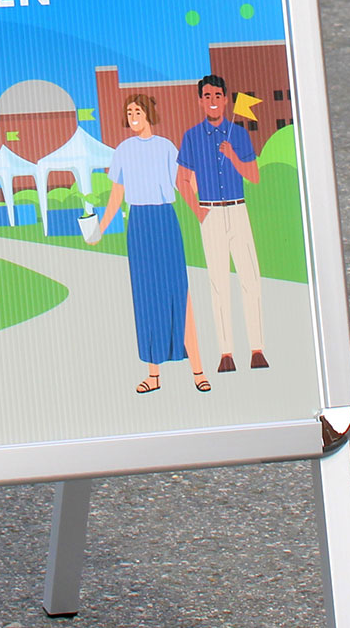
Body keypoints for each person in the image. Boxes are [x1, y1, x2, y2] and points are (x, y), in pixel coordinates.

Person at [87, 94, 209, 394]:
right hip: (138, 224)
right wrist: (101, 228)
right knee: (146, 299)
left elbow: (185, 182)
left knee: (179, 294)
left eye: (137, 111)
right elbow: (117, 194)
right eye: (128, 112)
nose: (132, 116)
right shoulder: (123, 151)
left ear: (148, 114)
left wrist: (205, 209)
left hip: (164, 221)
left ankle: (198, 370)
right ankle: (153, 375)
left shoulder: (166, 147)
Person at [176, 74, 267, 372]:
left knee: (250, 279)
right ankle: (226, 353)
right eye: (207, 96)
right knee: (218, 283)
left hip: (238, 211)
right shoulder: (191, 137)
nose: (213, 101)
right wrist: (199, 212)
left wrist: (233, 158)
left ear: (226, 99)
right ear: (200, 101)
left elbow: (253, 176)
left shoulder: (239, 134)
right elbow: (182, 180)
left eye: (218, 95)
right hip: (211, 212)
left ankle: (257, 349)